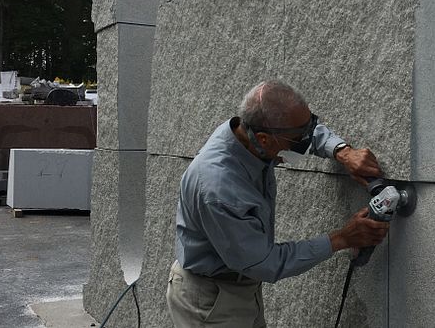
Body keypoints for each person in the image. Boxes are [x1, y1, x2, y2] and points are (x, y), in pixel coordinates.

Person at [166, 80, 390, 327]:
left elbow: (303, 131)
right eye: (298, 140)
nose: (306, 141)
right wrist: (342, 238)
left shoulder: (247, 135)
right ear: (263, 139)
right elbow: (263, 262)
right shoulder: (219, 189)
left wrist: (343, 152)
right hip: (210, 301)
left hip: (239, 285)